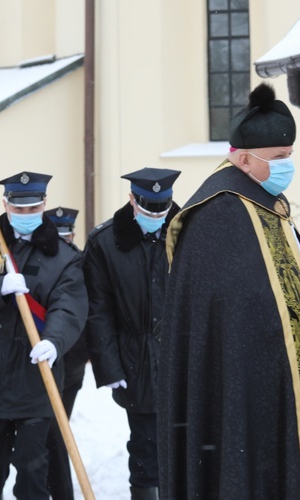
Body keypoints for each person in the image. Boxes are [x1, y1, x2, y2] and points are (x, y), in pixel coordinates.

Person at [157, 83, 300, 499]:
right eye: (279, 158)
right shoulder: (219, 214)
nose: (287, 166)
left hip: (291, 376)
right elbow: (231, 317)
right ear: (243, 158)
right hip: (249, 385)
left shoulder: (264, 201)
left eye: (290, 156)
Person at [0, 171, 87, 500]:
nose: (25, 215)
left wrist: (54, 340)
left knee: (32, 466)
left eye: (33, 209)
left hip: (35, 374)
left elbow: (69, 307)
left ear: (44, 205)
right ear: (6, 206)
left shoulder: (65, 258)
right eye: (19, 209)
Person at [83, 167, 181, 500]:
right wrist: (108, 367)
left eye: (162, 208)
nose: (156, 215)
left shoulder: (188, 232)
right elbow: (98, 311)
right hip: (136, 360)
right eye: (148, 208)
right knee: (146, 449)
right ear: (132, 200)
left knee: (189, 448)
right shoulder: (105, 242)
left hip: (184, 359)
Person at [43, 206, 88, 500]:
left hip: (69, 365)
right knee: (48, 437)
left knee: (56, 435)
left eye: (66, 234)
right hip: (38, 362)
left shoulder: (81, 263)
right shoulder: (38, 259)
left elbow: (85, 313)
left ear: (72, 234)